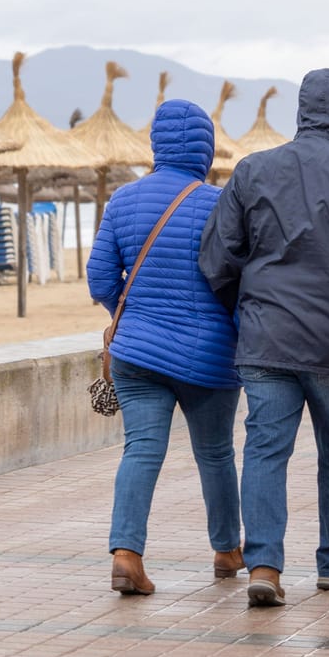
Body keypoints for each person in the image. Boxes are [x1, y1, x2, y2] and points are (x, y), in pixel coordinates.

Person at [199, 68, 329, 607]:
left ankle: (264, 565)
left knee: (266, 451)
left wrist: (247, 308)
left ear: (302, 112)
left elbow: (218, 259)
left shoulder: (252, 171)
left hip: (267, 341)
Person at [87, 98, 242, 596]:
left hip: (136, 353)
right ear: (205, 146)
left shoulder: (123, 200)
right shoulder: (220, 203)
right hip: (209, 355)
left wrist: (126, 315)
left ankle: (127, 556)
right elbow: (238, 283)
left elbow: (99, 278)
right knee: (215, 453)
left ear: (154, 143)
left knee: (141, 450)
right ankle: (227, 550)